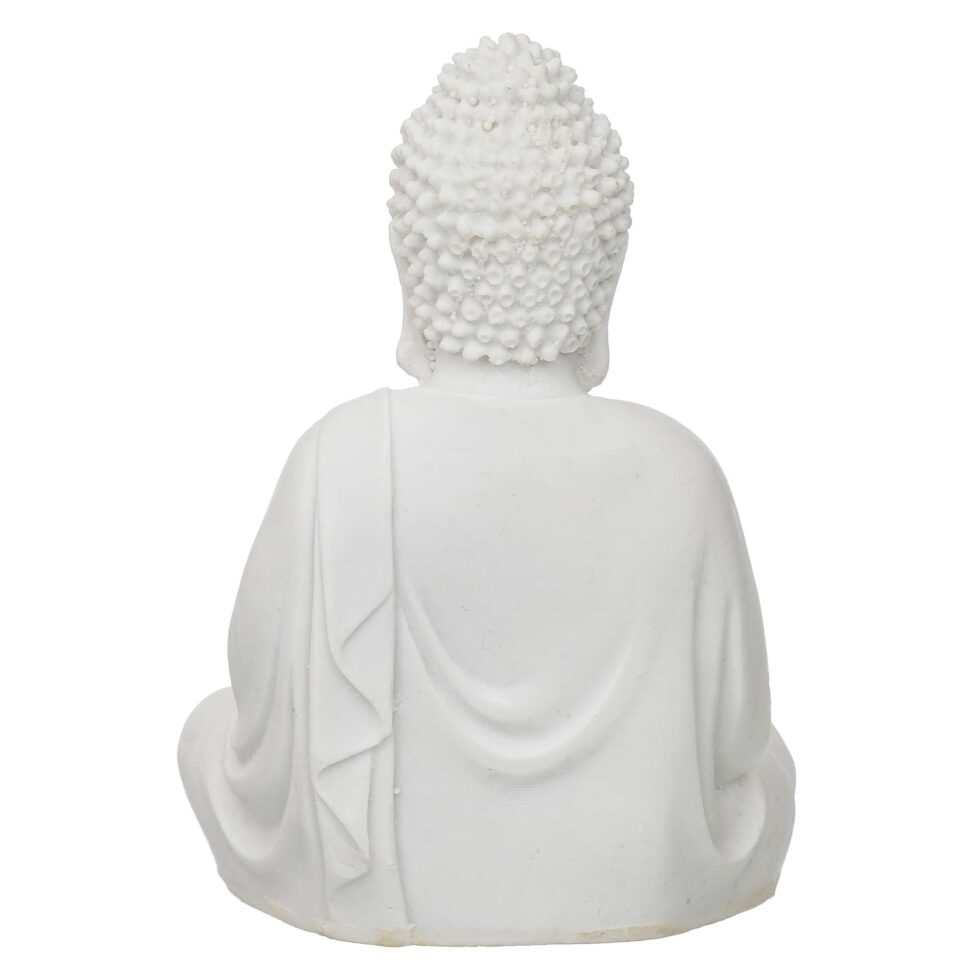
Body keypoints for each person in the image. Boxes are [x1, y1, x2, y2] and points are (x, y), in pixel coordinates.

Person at [179, 33, 794, 945]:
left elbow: (261, 701)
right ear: (603, 273)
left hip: (387, 883)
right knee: (772, 774)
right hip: (643, 872)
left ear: (411, 265)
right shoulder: (678, 470)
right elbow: (738, 736)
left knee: (204, 733)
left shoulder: (338, 457)